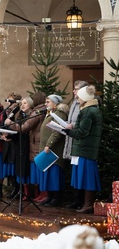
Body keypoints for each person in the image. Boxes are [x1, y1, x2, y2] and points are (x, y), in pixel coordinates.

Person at [64, 85, 102, 213]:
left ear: (84, 98)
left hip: (85, 149)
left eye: (78, 96)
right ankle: (86, 203)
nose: (76, 97)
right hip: (86, 149)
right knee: (86, 177)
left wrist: (68, 132)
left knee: (87, 177)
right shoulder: (92, 109)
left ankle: (88, 204)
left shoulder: (88, 111)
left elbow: (83, 132)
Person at [38, 94, 69, 207]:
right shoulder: (50, 114)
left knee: (54, 174)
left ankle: (57, 198)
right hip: (47, 149)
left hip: (54, 150)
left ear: (55, 104)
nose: (45, 104)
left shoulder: (59, 114)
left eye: (48, 102)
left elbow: (57, 131)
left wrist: (49, 144)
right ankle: (49, 197)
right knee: (48, 173)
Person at [63, 80, 88, 210]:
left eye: (76, 89)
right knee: (74, 172)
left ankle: (80, 200)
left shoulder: (85, 105)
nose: (73, 91)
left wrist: (73, 126)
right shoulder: (74, 103)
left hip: (79, 143)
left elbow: (82, 124)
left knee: (80, 173)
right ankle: (75, 199)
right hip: (72, 141)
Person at [4, 96, 33, 200]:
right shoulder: (19, 115)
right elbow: (17, 131)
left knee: (25, 168)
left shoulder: (32, 115)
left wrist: (11, 124)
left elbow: (25, 129)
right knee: (19, 168)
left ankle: (27, 192)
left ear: (30, 104)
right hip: (19, 144)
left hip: (28, 144)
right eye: (22, 103)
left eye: (25, 103)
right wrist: (8, 135)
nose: (22, 105)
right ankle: (20, 190)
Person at [0, 92, 22, 198]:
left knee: (14, 167)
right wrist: (2, 136)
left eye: (11, 101)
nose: (9, 103)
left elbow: (19, 129)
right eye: (8, 100)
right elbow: (2, 125)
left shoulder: (19, 112)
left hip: (14, 143)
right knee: (8, 168)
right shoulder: (6, 112)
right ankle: (12, 186)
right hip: (7, 143)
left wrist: (9, 136)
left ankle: (17, 189)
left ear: (17, 103)